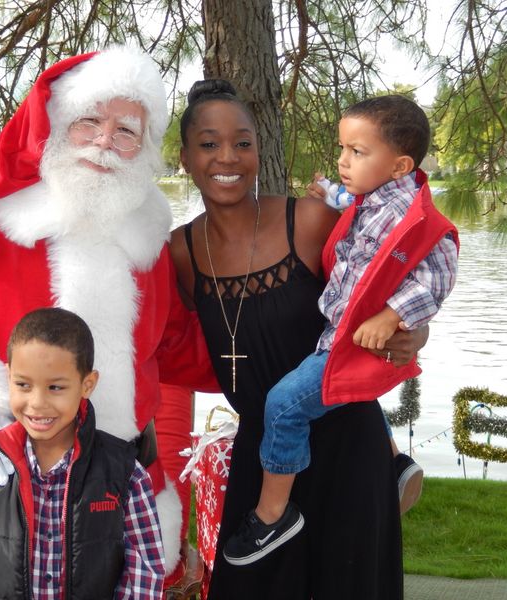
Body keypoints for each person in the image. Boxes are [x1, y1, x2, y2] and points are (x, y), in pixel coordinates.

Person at [0, 47, 216, 578]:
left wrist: (281, 343)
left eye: (126, 131)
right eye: (89, 122)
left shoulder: (148, 234)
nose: (106, 141)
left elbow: (174, 344)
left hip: (120, 494)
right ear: (58, 122)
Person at [169, 80, 431, 599]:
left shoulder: (308, 221)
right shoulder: (181, 252)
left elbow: (385, 278)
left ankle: (390, 460)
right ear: (185, 157)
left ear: (258, 150)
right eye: (209, 143)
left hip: (346, 448)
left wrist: (414, 331)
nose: (228, 157)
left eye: (243, 142)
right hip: (265, 453)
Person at [222, 94, 459, 566]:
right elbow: (350, 205)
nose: (343, 160)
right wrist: (327, 195)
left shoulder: (413, 216)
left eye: (357, 151)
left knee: (284, 406)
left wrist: (392, 317)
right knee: (346, 393)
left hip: (353, 342)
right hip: (339, 336)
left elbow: (437, 274)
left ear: (400, 165)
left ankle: (272, 516)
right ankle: (395, 461)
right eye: (343, 149)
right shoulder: (374, 198)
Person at [0, 307, 165, 599]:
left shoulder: (126, 473)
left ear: (87, 384)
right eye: (23, 385)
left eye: (55, 387)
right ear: (8, 376)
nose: (37, 403)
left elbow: (144, 573)